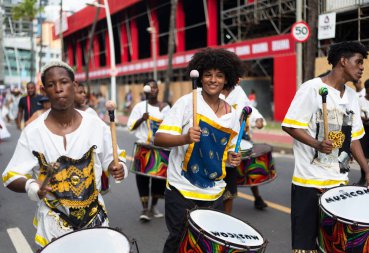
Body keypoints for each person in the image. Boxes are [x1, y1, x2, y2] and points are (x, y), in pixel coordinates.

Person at [2, 61, 127, 248]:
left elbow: (113, 158)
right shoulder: (33, 132)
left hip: (95, 222)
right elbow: (11, 176)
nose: (58, 89)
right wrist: (32, 185)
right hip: (53, 227)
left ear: (74, 85)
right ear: (45, 91)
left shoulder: (95, 125)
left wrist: (118, 167)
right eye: (51, 85)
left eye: (64, 82)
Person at [281, 41, 369, 253]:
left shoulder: (352, 96)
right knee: (305, 249)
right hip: (308, 184)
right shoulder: (312, 89)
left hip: (339, 184)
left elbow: (353, 138)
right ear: (343, 62)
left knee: (334, 246)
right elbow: (290, 125)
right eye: (359, 62)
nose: (362, 67)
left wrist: (367, 170)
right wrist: (316, 143)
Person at [154, 48, 242, 253]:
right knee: (179, 241)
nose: (213, 80)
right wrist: (185, 138)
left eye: (219, 76)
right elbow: (159, 139)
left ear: (226, 80)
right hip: (181, 188)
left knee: (208, 246)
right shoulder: (187, 103)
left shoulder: (232, 114)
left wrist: (234, 157)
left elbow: (228, 152)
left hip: (214, 192)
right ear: (200, 77)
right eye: (208, 75)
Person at [127, 79, 170, 221]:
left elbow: (169, 126)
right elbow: (130, 126)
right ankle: (145, 209)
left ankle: (153, 207)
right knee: (142, 179)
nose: (152, 90)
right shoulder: (139, 107)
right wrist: (142, 119)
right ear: (144, 90)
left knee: (158, 180)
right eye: (149, 88)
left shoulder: (165, 107)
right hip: (144, 148)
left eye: (155, 87)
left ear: (158, 90)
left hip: (159, 148)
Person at [221, 83, 268, 213]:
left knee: (250, 168)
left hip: (241, 137)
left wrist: (257, 119)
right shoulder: (214, 89)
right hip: (220, 141)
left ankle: (257, 197)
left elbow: (248, 109)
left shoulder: (238, 90)